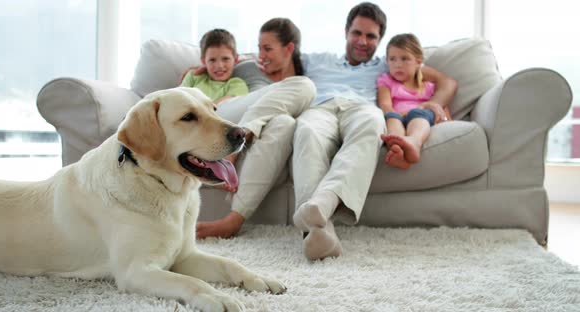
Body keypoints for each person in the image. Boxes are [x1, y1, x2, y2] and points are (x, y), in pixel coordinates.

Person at [291, 2, 457, 260]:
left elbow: (446, 81)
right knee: (307, 131)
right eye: (357, 33)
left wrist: (432, 103)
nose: (362, 41)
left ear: (380, 40)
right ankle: (320, 231)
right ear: (346, 31)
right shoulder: (317, 60)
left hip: (362, 108)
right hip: (321, 108)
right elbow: (271, 60)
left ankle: (321, 205)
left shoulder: (390, 63)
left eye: (371, 36)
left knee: (373, 124)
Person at [195, 18, 316, 239]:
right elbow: (213, 66)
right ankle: (233, 146)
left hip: (256, 126)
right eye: (259, 48)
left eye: (267, 48)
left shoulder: (306, 70)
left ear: (289, 49)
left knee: (284, 123)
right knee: (305, 86)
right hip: (223, 115)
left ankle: (232, 221)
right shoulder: (249, 67)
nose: (261, 55)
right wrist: (199, 68)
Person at [378, 33, 440, 170]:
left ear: (418, 62)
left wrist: (444, 117)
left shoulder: (428, 87)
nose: (398, 64)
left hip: (419, 117)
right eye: (392, 59)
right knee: (392, 118)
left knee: (418, 113)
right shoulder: (386, 81)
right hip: (398, 116)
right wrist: (399, 114)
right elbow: (385, 105)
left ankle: (414, 141)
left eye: (404, 59)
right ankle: (398, 152)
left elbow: (440, 110)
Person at [181, 28, 249, 104]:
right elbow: (178, 99)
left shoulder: (237, 84)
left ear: (235, 60)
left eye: (225, 59)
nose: (219, 65)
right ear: (204, 61)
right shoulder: (193, 76)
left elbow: (220, 107)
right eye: (212, 60)